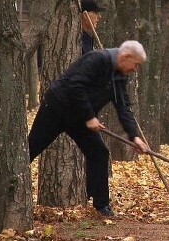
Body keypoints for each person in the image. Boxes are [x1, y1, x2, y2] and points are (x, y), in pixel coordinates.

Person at [28, 40, 150, 216]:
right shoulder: (97, 59)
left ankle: (101, 206)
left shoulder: (119, 75)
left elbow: (123, 106)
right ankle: (4, 192)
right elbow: (74, 86)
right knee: (30, 149)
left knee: (99, 153)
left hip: (79, 119)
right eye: (136, 64)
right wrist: (90, 116)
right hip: (56, 110)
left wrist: (134, 136)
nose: (135, 69)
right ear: (126, 56)